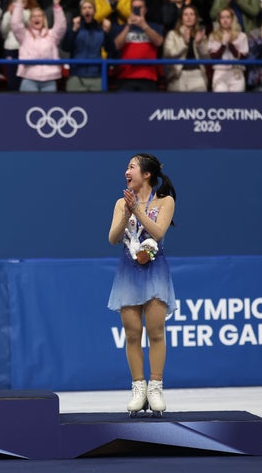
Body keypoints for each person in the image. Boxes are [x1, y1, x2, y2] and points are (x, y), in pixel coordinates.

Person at [108, 153, 177, 418]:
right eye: (127, 167)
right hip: (128, 274)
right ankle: (138, 388)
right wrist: (126, 214)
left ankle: (155, 387)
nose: (127, 171)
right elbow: (113, 238)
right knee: (133, 333)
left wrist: (137, 210)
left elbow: (158, 233)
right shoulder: (121, 203)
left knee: (156, 331)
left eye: (132, 167)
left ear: (146, 174)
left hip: (155, 273)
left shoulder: (165, 201)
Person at [10, 0, 66, 92]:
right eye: (34, 16)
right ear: (30, 20)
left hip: (49, 79)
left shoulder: (52, 36)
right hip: (29, 78)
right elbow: (15, 24)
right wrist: (19, 3)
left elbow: (61, 26)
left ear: (44, 19)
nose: (36, 18)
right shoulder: (24, 36)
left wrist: (57, 6)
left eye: (39, 16)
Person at [62, 0, 114, 92]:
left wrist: (107, 33)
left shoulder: (101, 30)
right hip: (76, 75)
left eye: (90, 7)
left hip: (96, 76)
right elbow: (66, 47)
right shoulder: (75, 28)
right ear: (81, 12)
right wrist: (73, 30)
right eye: (84, 8)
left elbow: (110, 49)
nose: (87, 10)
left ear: (94, 11)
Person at [113, 0, 164, 91]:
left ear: (145, 10)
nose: (137, 10)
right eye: (134, 8)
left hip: (148, 76)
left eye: (140, 7)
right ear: (131, 10)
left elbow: (159, 42)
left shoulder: (155, 27)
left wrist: (144, 26)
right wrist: (128, 26)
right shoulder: (122, 27)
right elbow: (117, 45)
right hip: (126, 76)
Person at [162, 4, 209, 91]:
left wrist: (199, 44)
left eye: (192, 14)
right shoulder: (173, 34)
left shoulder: (201, 35)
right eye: (186, 14)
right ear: (181, 18)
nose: (189, 17)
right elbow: (168, 53)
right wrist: (184, 43)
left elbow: (207, 58)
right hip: (178, 75)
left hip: (197, 75)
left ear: (196, 18)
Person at [0, 0, 39, 91]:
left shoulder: (31, 12)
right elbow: (3, 31)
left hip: (27, 49)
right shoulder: (9, 12)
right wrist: (9, 14)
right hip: (11, 48)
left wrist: (18, 9)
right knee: (12, 79)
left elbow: (29, 25)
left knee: (26, 78)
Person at [207, 6, 248, 91]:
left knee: (237, 99)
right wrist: (223, 44)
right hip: (220, 72)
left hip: (236, 72)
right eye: (222, 18)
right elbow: (213, 57)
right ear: (219, 20)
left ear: (232, 19)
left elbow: (243, 57)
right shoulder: (213, 36)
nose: (225, 20)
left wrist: (230, 44)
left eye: (228, 17)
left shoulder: (242, 36)